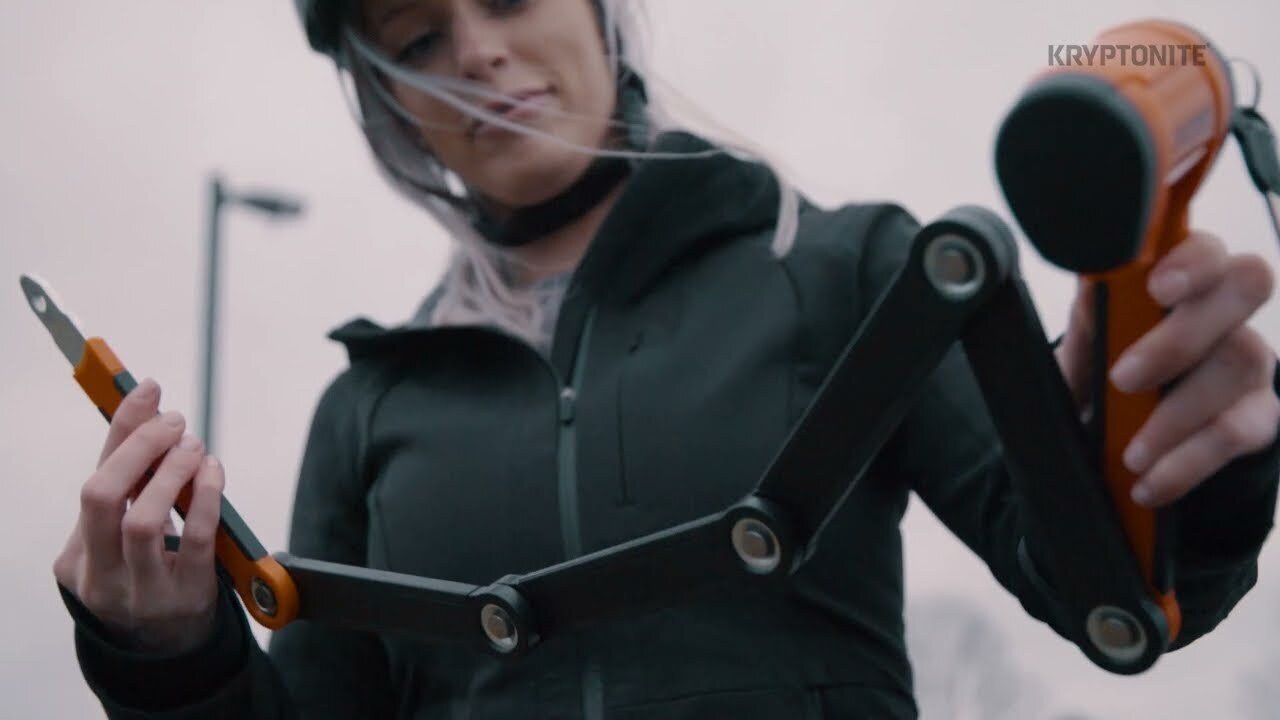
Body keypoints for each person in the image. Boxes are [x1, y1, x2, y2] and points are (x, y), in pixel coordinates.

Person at [54, 1, 1280, 718]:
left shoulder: (850, 272)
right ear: (386, 99)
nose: (476, 52)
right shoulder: (370, 408)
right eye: (419, 36)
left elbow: (1101, 588)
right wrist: (168, 655)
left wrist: (1182, 460)